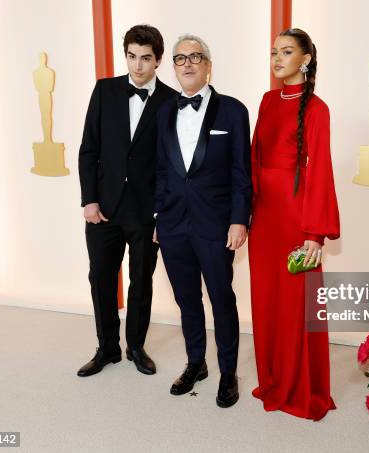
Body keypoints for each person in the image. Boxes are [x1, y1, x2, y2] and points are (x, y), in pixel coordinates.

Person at [153, 34, 251, 408]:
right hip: (174, 224)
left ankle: (228, 372)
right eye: (180, 59)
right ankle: (197, 362)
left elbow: (242, 172)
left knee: (221, 298)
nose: (188, 64)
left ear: (209, 65)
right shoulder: (165, 111)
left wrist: (239, 220)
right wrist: (159, 216)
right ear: (173, 67)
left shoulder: (233, 111)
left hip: (216, 224)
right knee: (186, 299)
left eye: (196, 57)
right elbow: (163, 169)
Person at [248, 28, 340, 420]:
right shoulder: (268, 101)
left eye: (286, 52)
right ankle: (272, 377)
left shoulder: (318, 109)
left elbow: (320, 171)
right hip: (264, 217)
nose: (277, 58)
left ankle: (300, 388)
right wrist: (242, 212)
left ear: (304, 59)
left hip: (296, 217)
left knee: (297, 303)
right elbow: (253, 158)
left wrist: (314, 233)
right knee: (266, 299)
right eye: (274, 52)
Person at [77, 25, 178, 377]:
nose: (138, 66)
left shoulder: (171, 101)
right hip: (103, 208)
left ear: (158, 61)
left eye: (146, 59)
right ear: (126, 55)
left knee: (141, 281)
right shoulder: (104, 90)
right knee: (100, 277)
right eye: (132, 57)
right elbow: (88, 149)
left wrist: (162, 214)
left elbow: (173, 165)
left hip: (146, 211)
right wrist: (89, 201)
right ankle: (107, 348)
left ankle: (136, 345)